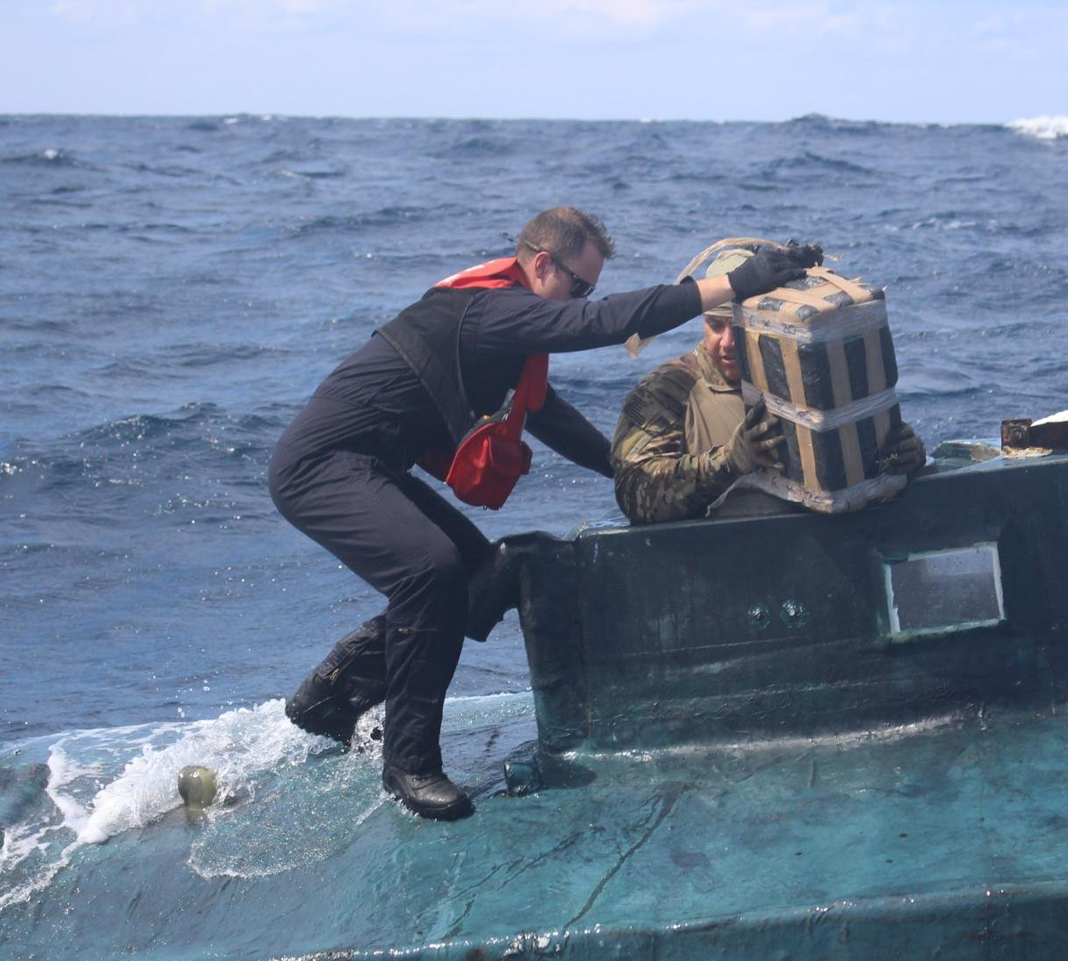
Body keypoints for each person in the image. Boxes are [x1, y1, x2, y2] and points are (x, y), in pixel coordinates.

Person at [268, 208, 819, 820]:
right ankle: (409, 764)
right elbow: (606, 323)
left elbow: (550, 418)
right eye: (578, 286)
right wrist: (737, 284)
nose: (584, 299)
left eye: (590, 289)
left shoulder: (508, 340)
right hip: (322, 464)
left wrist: (631, 472)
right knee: (430, 569)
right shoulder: (489, 312)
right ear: (540, 265)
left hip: (370, 466)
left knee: (486, 570)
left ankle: (335, 699)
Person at [612, 248, 926, 526]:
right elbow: (634, 496)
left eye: (739, 328)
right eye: (715, 326)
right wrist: (729, 462)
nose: (728, 343)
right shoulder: (668, 390)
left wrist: (901, 459)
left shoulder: (808, 379)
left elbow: (855, 470)